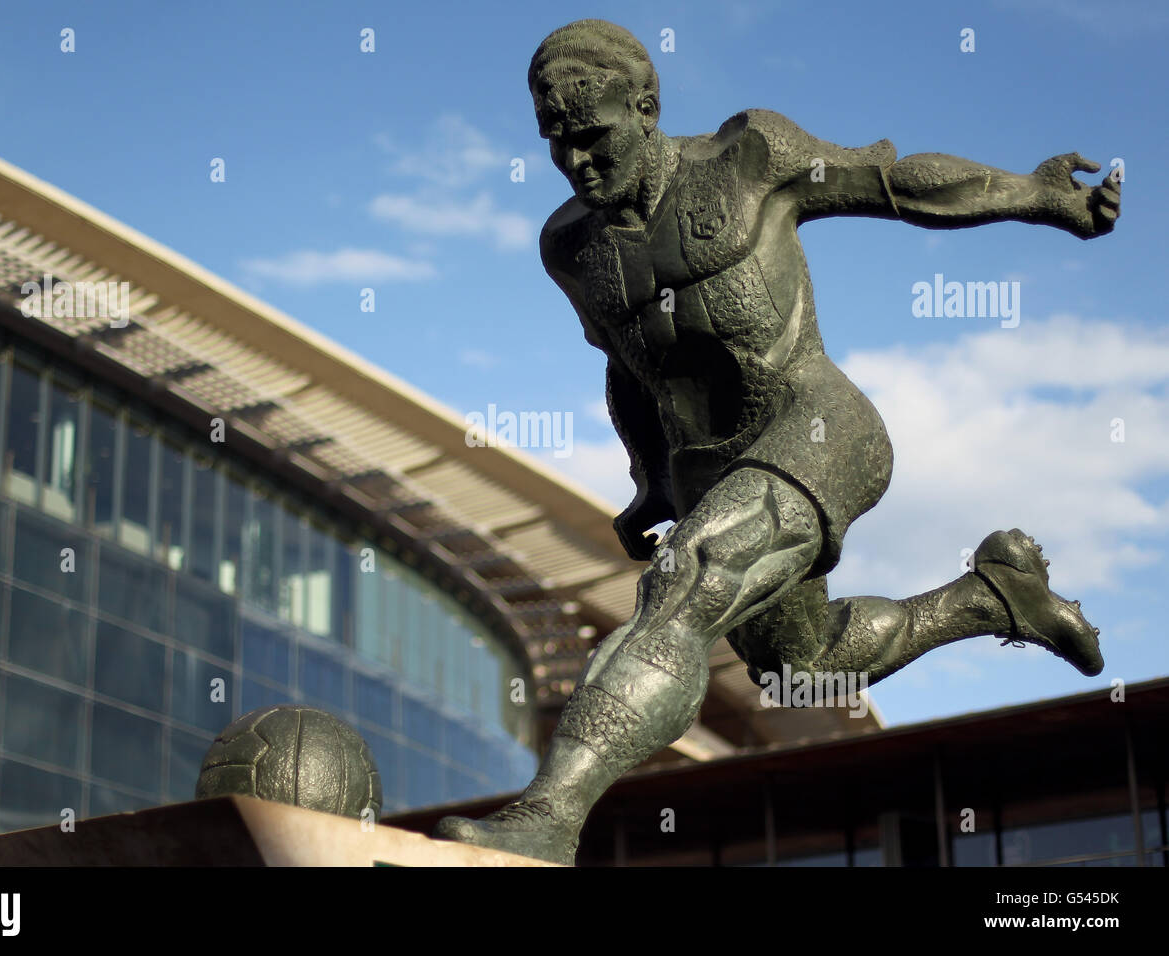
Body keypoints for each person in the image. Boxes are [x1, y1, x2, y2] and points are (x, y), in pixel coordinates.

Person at [435, 19, 1121, 865]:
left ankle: (547, 817)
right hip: (708, 469)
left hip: (819, 429)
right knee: (804, 661)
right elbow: (626, 362)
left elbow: (898, 183)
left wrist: (1037, 195)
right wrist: (648, 480)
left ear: (646, 107)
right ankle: (991, 599)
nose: (577, 162)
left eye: (594, 136)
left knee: (684, 583)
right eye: (557, 144)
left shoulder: (750, 158)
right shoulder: (569, 247)